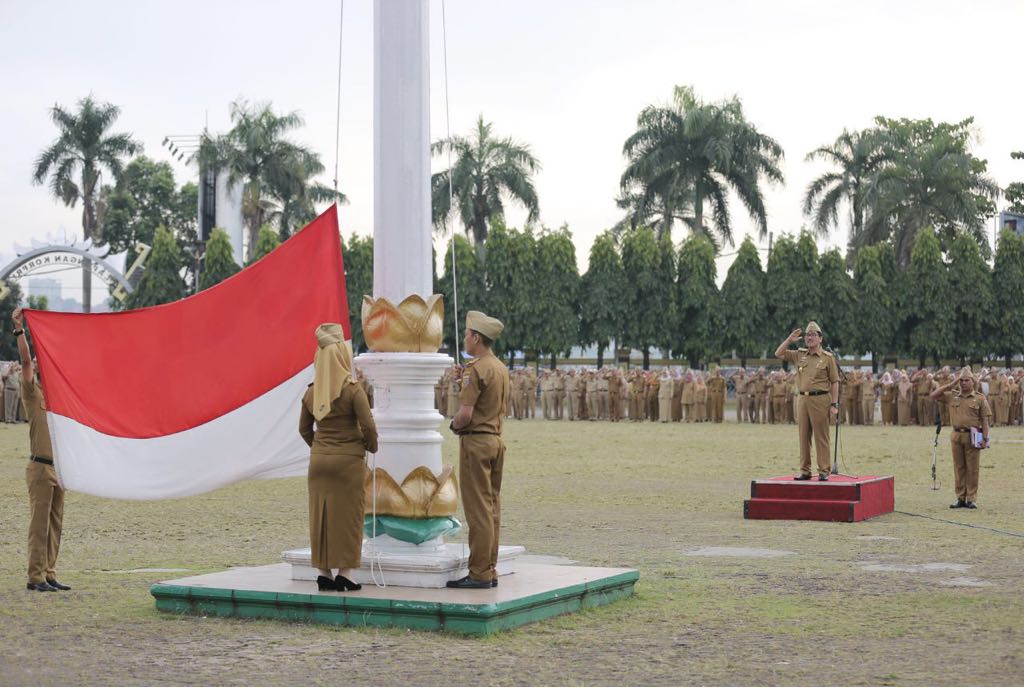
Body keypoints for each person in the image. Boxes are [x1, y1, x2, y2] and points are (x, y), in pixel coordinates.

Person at [299, 324, 378, 592]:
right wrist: (369, 447)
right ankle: (346, 573)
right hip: (348, 462)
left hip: (319, 461)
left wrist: (320, 447)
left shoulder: (312, 391)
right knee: (349, 517)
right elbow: (368, 427)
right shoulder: (352, 390)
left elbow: (303, 429)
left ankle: (324, 573)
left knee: (320, 516)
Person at [448, 310, 510, 589]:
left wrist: (453, 427)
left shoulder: (476, 369)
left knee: (478, 511)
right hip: (496, 440)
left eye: (466, 335)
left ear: (476, 337)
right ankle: (490, 568)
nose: (464, 339)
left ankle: (479, 572)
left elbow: (464, 415)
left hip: (476, 441)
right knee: (492, 508)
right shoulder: (499, 367)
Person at [12, 308, 70, 592]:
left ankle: (49, 572)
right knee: (39, 525)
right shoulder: (32, 394)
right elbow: (24, 360)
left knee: (55, 524)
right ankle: (34, 576)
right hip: (39, 466)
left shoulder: (59, 400)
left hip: (59, 468)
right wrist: (20, 330)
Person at [775, 321, 840, 480]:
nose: (809, 338)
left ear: (820, 338)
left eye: (813, 335)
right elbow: (778, 353)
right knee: (803, 436)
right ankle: (805, 471)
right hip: (802, 399)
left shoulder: (827, 358)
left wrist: (834, 405)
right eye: (807, 335)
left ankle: (824, 471)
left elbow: (835, 381)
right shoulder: (800, 354)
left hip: (821, 399)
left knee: (821, 437)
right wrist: (790, 339)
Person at [930, 367, 990, 509]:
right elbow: (934, 395)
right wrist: (951, 385)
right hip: (956, 435)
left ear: (973, 382)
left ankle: (971, 498)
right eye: (961, 380)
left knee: (972, 468)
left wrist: (985, 439)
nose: (963, 383)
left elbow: (985, 420)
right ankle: (960, 498)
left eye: (966, 380)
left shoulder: (980, 398)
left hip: (973, 436)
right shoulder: (953, 395)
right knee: (959, 468)